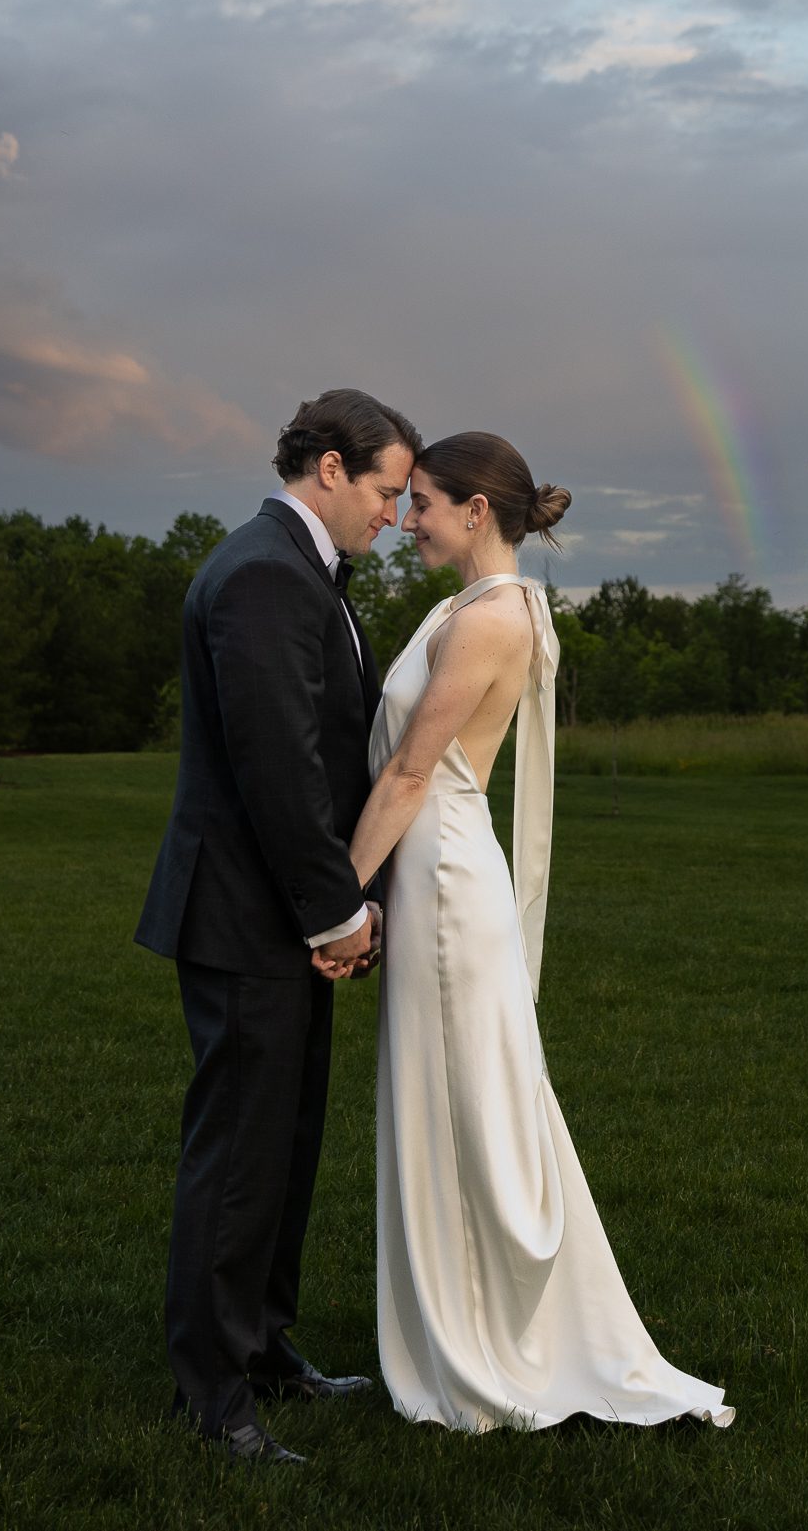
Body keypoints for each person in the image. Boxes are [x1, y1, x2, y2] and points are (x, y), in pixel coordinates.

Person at [332, 430, 733, 1432]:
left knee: (467, 1106)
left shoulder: (495, 615)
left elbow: (414, 772)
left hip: (446, 887)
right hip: (430, 878)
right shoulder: (470, 605)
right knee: (448, 1104)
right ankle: (456, 1323)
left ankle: (484, 1341)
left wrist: (334, 902)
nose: (407, 518)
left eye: (421, 500)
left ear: (476, 511)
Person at [134, 388, 422, 1465]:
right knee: (241, 1156)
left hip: (277, 917)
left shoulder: (303, 571)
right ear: (334, 468)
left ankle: (261, 1349)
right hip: (247, 914)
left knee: (287, 1143)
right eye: (389, 491)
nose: (395, 515)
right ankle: (213, 1399)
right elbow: (278, 767)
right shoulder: (261, 571)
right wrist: (338, 911)